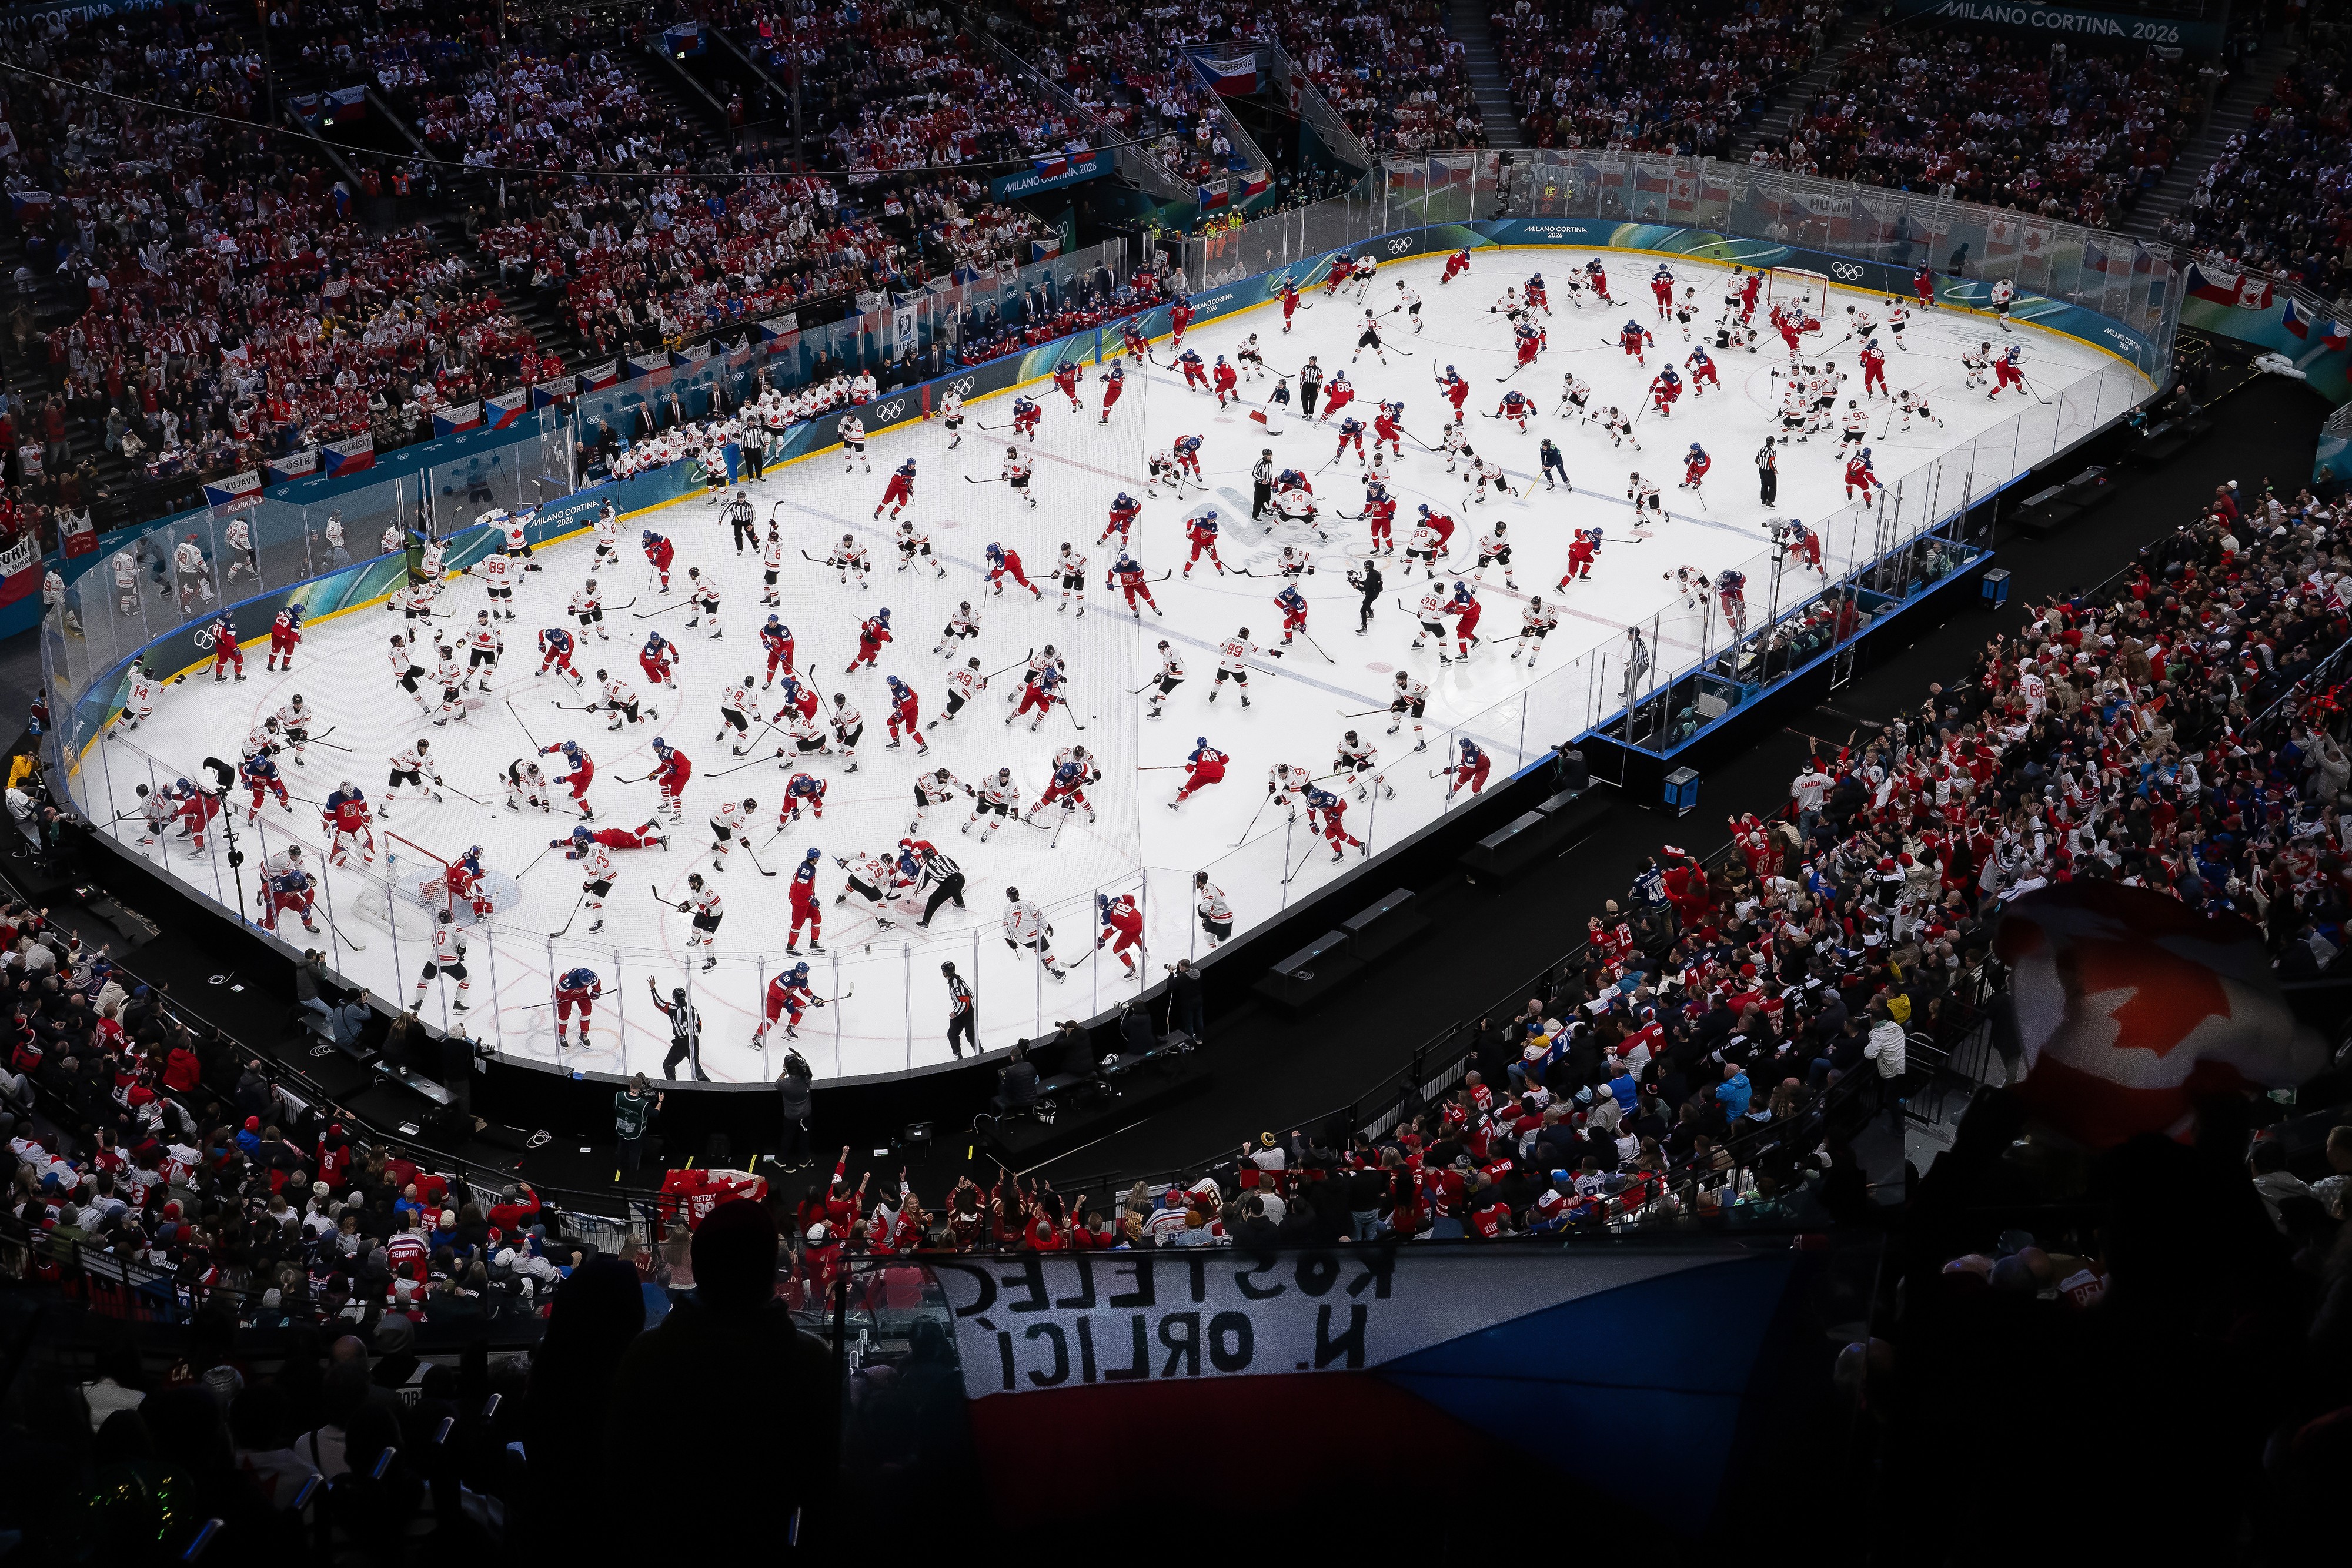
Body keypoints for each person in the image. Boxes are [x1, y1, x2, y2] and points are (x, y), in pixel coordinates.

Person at [606, 1201, 835, 1551]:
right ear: (768, 1270)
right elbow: (823, 1480)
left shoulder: (647, 1356)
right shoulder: (809, 1360)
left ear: (698, 1267)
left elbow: (623, 1473)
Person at [615, 1073, 662, 1172]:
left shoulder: (619, 1095)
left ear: (630, 1086)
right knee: (634, 1152)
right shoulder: (643, 1103)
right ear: (640, 1088)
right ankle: (633, 1172)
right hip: (636, 1133)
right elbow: (655, 1113)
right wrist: (660, 1102)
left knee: (621, 1147)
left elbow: (614, 1108)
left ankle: (620, 1166)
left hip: (621, 1129)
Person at [776, 1051, 814, 1170]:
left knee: (787, 1137)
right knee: (804, 1137)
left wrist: (784, 1072)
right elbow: (808, 1073)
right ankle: (804, 1160)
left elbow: (777, 1083)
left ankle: (782, 1160)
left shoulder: (785, 1084)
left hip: (791, 1116)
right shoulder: (806, 1080)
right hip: (805, 1115)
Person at [941, 961, 977, 1058]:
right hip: (962, 1011)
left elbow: (965, 1001)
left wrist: (956, 1013)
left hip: (967, 1012)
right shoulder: (953, 980)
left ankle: (980, 1054)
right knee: (952, 1034)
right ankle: (958, 1056)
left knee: (971, 1036)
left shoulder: (956, 982)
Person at [1166, 958, 1205, 1042]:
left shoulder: (1183, 977)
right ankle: (1199, 1039)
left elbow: (1170, 986)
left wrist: (1171, 974)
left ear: (1184, 968)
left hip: (1188, 1003)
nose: (1179, 968)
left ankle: (1189, 1043)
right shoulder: (1197, 972)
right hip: (1199, 1000)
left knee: (1189, 1023)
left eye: (1180, 966)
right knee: (1199, 1019)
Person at [995, 1043, 1040, 1114]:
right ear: (1021, 1056)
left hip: (1018, 1103)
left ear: (1012, 1058)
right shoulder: (1030, 1065)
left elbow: (1007, 1088)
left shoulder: (1010, 1071)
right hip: (1033, 1099)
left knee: (1001, 1087)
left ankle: (1008, 1112)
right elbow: (1037, 1080)